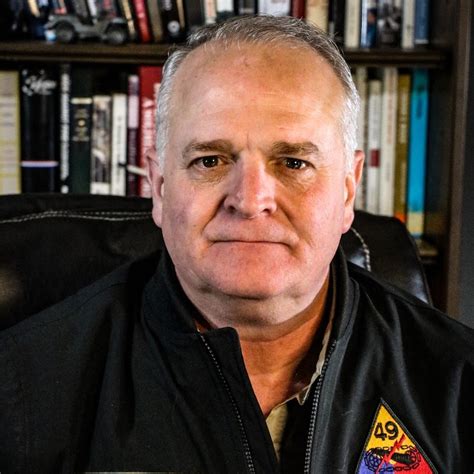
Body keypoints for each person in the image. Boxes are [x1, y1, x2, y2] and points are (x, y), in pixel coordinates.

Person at [1, 15, 473, 473]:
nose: (249, 201)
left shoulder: (458, 382)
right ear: (160, 187)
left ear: (348, 190)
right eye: (210, 161)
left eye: (293, 163)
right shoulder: (22, 391)